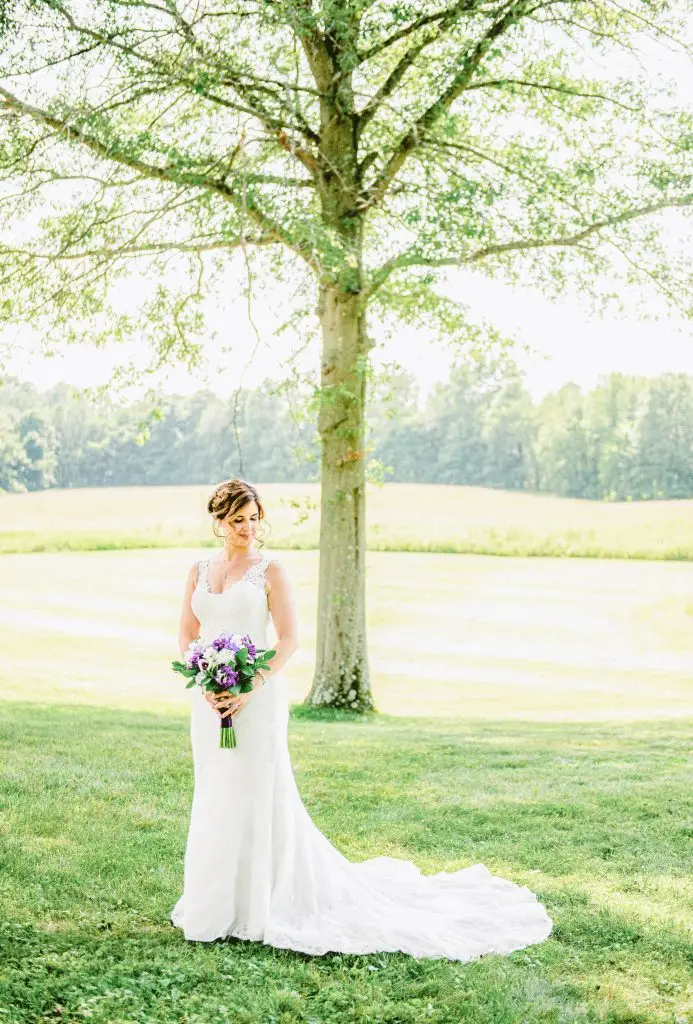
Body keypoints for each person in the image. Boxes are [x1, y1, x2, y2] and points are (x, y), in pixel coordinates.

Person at [170, 478, 553, 959]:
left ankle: (259, 904)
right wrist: (205, 678)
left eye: (253, 518)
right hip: (208, 703)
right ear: (218, 521)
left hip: (257, 699)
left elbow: (288, 640)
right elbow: (188, 631)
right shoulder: (198, 570)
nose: (247, 528)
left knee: (256, 795)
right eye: (236, 520)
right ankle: (214, 904)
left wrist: (249, 685)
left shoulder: (271, 570)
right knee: (215, 794)